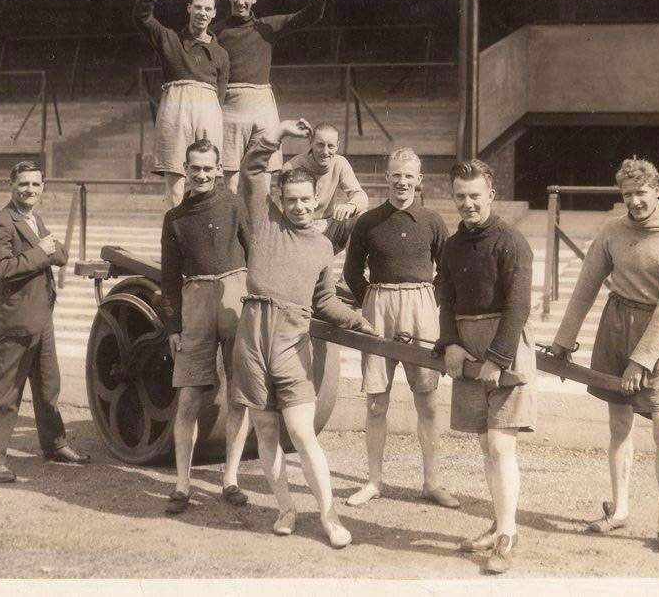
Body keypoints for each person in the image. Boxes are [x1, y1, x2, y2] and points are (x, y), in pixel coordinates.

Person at [230, 117, 375, 549]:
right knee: (267, 433)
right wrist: (277, 132)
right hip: (252, 337)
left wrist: (355, 319)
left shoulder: (322, 245)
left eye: (305, 200)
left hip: (293, 342)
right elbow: (252, 170)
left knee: (302, 432)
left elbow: (325, 300)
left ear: (316, 199)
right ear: (281, 198)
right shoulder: (264, 224)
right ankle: (285, 509)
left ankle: (329, 518)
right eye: (290, 199)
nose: (298, 206)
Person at [550, 156, 659, 553]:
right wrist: (563, 341)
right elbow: (586, 286)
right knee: (619, 425)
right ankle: (620, 509)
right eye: (627, 194)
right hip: (615, 326)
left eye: (641, 193)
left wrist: (641, 360)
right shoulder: (612, 231)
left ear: (657, 191)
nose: (634, 201)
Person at [434, 159, 537, 574]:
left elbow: (518, 307)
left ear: (491, 195)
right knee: (485, 447)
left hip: (504, 350)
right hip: (467, 346)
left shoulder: (512, 242)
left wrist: (497, 359)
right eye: (460, 196)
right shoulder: (453, 244)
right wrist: (452, 345)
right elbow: (446, 300)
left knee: (499, 445)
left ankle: (507, 536)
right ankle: (500, 523)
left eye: (475, 195)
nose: (467, 204)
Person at [342, 148, 457, 509]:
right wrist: (371, 302)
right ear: (386, 177)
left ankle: (432, 482)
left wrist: (428, 302)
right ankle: (374, 481)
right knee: (377, 402)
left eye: (409, 176)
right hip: (379, 306)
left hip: (421, 306)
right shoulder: (368, 221)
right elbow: (350, 271)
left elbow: (448, 271)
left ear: (419, 180)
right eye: (396, 175)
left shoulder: (433, 221)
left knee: (428, 400)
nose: (402, 182)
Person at [159, 136, 252, 515]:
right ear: (185, 170)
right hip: (195, 302)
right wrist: (172, 326)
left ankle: (230, 478)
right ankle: (182, 484)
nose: (201, 175)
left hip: (235, 295)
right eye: (194, 168)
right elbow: (168, 278)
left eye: (208, 168)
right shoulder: (174, 219)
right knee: (188, 398)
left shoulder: (233, 204)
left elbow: (256, 250)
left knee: (238, 395)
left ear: (218, 170)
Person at [0, 161, 90, 483]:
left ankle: (55, 445)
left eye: (36, 185)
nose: (30, 190)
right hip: (15, 321)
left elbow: (60, 254)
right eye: (24, 184)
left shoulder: (33, 218)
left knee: (48, 387)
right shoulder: (2, 223)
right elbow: (3, 268)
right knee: (5, 393)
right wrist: (44, 251)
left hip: (42, 319)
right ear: (10, 184)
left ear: (43, 188)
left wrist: (51, 251)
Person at [216, 0, 326, 193]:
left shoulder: (267, 27)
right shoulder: (216, 32)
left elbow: (309, 16)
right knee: (231, 180)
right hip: (230, 106)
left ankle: (259, 227)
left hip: (261, 105)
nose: (241, 1)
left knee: (262, 175)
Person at [134, 0, 229, 209]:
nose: (202, 13)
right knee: (175, 180)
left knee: (209, 177)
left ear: (214, 13)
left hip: (208, 108)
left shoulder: (221, 53)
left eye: (208, 9)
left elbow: (220, 94)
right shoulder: (169, 39)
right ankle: (173, 240)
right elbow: (142, 16)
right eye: (198, 7)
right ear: (189, 8)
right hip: (176, 107)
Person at [281, 123, 368, 221]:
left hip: (328, 223)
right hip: (299, 225)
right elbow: (282, 205)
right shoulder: (292, 167)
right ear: (311, 142)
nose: (325, 152)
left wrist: (351, 206)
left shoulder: (339, 163)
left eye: (331, 146)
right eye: (320, 145)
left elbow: (360, 195)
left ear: (337, 146)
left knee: (362, 214)